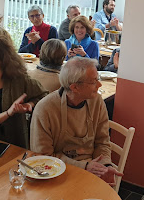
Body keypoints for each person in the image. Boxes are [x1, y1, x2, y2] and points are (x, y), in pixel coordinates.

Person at [30, 57, 123, 185]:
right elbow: (43, 157)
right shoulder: (45, 109)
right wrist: (84, 166)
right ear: (75, 87)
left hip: (92, 170)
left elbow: (102, 142)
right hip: (55, 173)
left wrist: (105, 165)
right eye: (94, 82)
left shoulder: (96, 101)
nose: (99, 85)